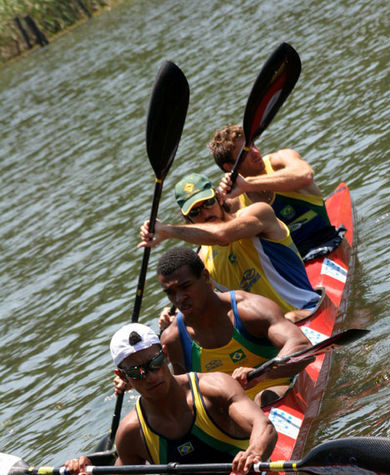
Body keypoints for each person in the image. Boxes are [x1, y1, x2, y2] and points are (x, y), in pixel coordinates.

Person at [64, 323, 277, 475]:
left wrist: (254, 452)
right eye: (136, 372)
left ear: (165, 354)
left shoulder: (213, 388)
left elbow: (263, 426)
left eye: (155, 363)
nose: (150, 376)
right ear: (122, 377)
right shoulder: (131, 432)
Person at [138, 173, 320, 324]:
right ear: (188, 220)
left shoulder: (259, 213)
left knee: (287, 319)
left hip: (305, 311)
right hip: (267, 336)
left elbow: (222, 234)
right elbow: (202, 304)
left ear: (219, 198)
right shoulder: (202, 261)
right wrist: (177, 316)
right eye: (195, 212)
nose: (205, 213)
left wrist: (168, 231)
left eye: (208, 203)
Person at [154, 246, 314, 407]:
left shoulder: (249, 310)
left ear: (205, 276)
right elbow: (183, 399)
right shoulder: (173, 339)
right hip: (234, 415)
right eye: (170, 293)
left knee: (263, 398)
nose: (179, 298)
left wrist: (260, 374)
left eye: (185, 286)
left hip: (274, 391)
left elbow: (302, 345)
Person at [208, 124, 347, 261]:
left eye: (253, 145)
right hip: (291, 264)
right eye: (246, 153)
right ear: (230, 167)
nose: (256, 152)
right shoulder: (235, 201)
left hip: (328, 241)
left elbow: (306, 175)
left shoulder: (281, 159)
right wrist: (221, 198)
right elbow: (218, 234)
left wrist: (248, 185)